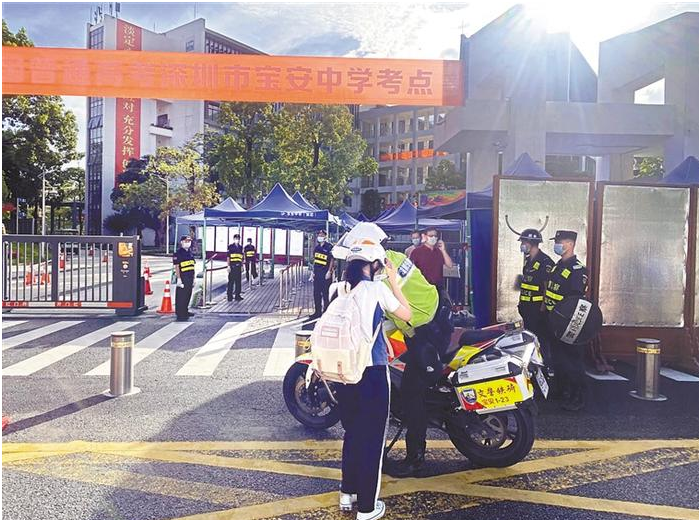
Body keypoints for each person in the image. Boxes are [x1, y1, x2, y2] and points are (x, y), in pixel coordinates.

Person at [335, 240, 411, 520]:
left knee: (353, 433)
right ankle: (367, 508)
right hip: (372, 373)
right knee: (373, 440)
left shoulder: (340, 289)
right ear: (374, 264)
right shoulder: (377, 289)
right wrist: (395, 282)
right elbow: (407, 315)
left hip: (344, 373)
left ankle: (348, 493)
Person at [544, 230, 589, 411]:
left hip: (568, 323)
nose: (557, 245)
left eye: (560, 242)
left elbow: (575, 299)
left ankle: (578, 396)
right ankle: (561, 390)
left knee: (572, 360)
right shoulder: (558, 266)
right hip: (553, 320)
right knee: (558, 358)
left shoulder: (577, 270)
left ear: (570, 244)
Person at [516, 228, 555, 368]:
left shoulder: (545, 262)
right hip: (526, 308)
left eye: (524, 242)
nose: (522, 245)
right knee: (529, 339)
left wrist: (542, 309)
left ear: (531, 243)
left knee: (541, 339)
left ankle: (546, 367)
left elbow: (547, 287)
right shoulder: (528, 260)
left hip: (538, 310)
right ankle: (532, 366)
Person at [309, 229, 335, 319]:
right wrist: (312, 272)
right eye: (319, 235)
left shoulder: (329, 247)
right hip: (317, 273)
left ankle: (326, 312)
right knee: (316, 293)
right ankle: (317, 312)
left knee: (325, 294)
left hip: (325, 273)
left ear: (325, 236)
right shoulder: (317, 248)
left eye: (322, 235)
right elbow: (315, 260)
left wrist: (329, 271)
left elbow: (332, 260)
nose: (320, 236)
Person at [172, 235, 196, 322]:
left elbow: (192, 266)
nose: (188, 243)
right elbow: (177, 266)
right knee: (181, 296)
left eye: (189, 241)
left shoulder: (190, 253)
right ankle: (180, 313)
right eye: (186, 241)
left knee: (188, 295)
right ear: (181, 242)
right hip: (183, 277)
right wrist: (179, 278)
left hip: (190, 277)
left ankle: (185, 310)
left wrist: (194, 279)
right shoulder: (178, 253)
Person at [227, 233, 244, 302]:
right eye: (236, 239)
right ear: (234, 239)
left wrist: (242, 266)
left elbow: (241, 257)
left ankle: (237, 295)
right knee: (231, 282)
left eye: (238, 239)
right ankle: (229, 296)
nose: (237, 240)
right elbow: (228, 257)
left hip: (238, 266)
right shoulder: (230, 247)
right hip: (232, 266)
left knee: (238, 282)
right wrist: (228, 266)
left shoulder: (240, 247)